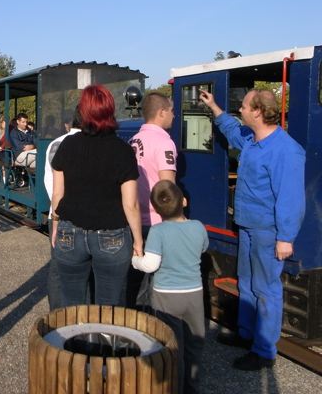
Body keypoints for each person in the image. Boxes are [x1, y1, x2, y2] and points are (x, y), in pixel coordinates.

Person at [199, 88, 306, 371]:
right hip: (247, 225)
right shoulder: (251, 140)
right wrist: (215, 108)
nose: (241, 110)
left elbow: (291, 199)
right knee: (246, 281)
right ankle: (246, 334)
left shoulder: (286, 151)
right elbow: (233, 130)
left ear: (258, 111)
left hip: (267, 231)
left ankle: (264, 351)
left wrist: (285, 238)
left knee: (266, 289)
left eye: (245, 106)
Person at [51, 85, 143, 306]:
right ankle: (103, 339)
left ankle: (73, 340)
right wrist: (138, 241)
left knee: (71, 304)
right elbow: (130, 204)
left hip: (70, 231)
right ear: (110, 111)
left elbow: (57, 195)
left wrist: (56, 227)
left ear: (83, 112)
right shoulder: (123, 150)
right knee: (109, 306)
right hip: (112, 235)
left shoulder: (67, 145)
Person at [132, 181, 208, 394]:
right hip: (194, 295)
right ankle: (191, 387)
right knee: (194, 344)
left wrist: (135, 260)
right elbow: (203, 248)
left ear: (156, 210)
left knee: (172, 346)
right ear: (184, 201)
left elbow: (151, 265)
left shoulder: (158, 231)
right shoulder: (198, 227)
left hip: (166, 297)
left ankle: (173, 386)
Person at [127, 92, 177, 307]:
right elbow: (167, 187)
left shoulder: (133, 140)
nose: (174, 116)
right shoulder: (165, 143)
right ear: (161, 112)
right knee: (157, 284)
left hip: (135, 220)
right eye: (172, 111)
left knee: (134, 280)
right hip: (157, 222)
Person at [44, 109, 82, 309]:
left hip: (56, 213)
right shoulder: (85, 144)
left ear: (69, 124)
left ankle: (57, 313)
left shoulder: (54, 144)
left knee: (57, 268)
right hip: (79, 215)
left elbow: (51, 184)